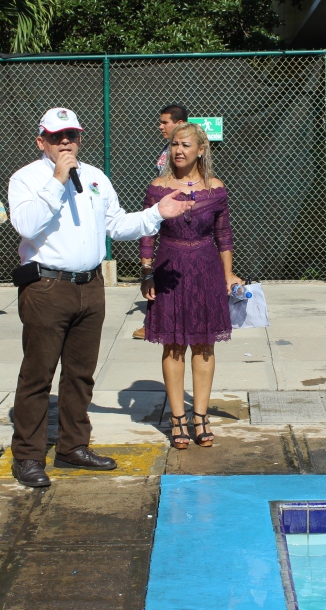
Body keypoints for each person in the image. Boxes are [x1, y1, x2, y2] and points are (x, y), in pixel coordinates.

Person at [7, 107, 193, 488]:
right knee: (38, 375)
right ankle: (28, 455)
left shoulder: (95, 178)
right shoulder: (26, 178)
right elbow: (26, 225)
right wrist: (58, 179)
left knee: (80, 375)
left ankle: (73, 446)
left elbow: (117, 224)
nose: (65, 142)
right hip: (47, 288)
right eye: (56, 136)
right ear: (41, 141)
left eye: (71, 135)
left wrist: (157, 213)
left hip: (90, 288)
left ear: (80, 138)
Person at [140, 122, 240, 449]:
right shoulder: (158, 188)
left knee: (204, 344)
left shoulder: (216, 189)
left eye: (185, 145)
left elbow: (224, 236)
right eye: (174, 144)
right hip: (168, 269)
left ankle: (201, 417)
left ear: (201, 149)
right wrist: (146, 272)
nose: (179, 151)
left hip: (206, 269)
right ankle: (177, 419)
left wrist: (228, 275)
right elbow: (147, 233)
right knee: (172, 344)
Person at [134, 104, 188, 340]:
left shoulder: (187, 151)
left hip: (180, 214)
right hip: (164, 211)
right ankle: (155, 320)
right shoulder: (167, 149)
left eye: (165, 122)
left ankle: (164, 322)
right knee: (162, 268)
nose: (160, 126)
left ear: (179, 124)